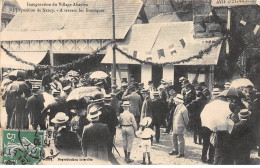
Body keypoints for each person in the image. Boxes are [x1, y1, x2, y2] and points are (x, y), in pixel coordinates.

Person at [98, 94, 119, 162]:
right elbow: (116, 122)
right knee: (109, 145)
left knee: (103, 145)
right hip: (111, 131)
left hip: (102, 131)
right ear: (110, 101)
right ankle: (109, 157)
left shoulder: (100, 110)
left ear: (104, 101)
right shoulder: (112, 110)